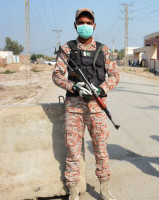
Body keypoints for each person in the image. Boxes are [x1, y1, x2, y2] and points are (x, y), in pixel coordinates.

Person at [52, 8, 119, 200]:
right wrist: (74, 86)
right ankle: (73, 190)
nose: (85, 26)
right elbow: (56, 76)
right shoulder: (67, 49)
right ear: (75, 25)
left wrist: (102, 89)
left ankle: (104, 188)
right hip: (74, 109)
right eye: (81, 23)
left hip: (97, 108)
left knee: (101, 150)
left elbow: (115, 75)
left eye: (89, 23)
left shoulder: (104, 50)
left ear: (94, 25)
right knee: (72, 151)